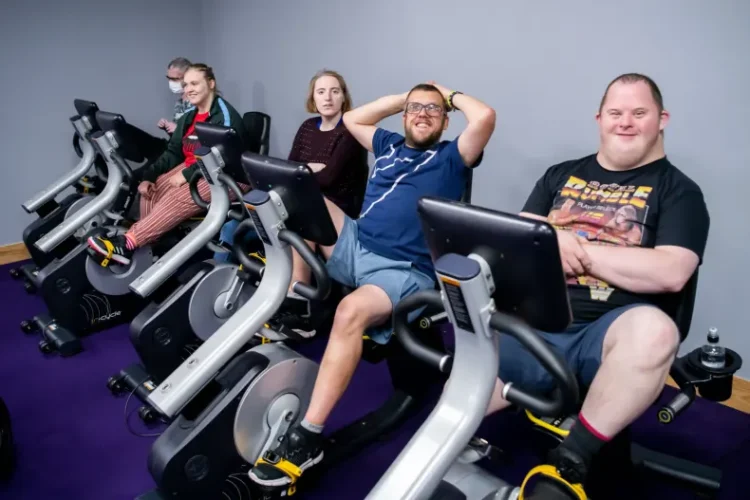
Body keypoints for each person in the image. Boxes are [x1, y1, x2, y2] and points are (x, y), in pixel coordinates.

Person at [247, 82, 496, 488]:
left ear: (447, 120)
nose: (423, 114)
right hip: (357, 243)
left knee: (350, 313)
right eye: (416, 109)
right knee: (296, 194)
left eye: (434, 111)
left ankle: (308, 437)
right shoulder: (389, 143)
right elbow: (351, 118)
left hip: (402, 268)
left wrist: (441, 93)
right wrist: (410, 98)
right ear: (403, 115)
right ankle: (297, 305)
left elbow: (484, 116)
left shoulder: (453, 156)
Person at [494, 73, 710, 498]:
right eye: (615, 112)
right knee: (448, 418)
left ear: (661, 119)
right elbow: (520, 242)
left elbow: (671, 271)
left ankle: (571, 460)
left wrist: (575, 247)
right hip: (532, 325)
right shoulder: (560, 175)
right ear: (599, 119)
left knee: (656, 331)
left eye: (639, 113)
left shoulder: (678, 191)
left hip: (606, 333)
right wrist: (548, 240)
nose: (625, 122)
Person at [87, 64, 250, 267]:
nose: (188, 89)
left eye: (194, 83)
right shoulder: (189, 116)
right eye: (185, 84)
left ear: (211, 83)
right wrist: (149, 176)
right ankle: (150, 249)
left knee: (175, 197)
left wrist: (187, 175)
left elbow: (222, 155)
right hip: (200, 170)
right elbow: (173, 151)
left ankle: (128, 243)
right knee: (153, 191)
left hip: (229, 176)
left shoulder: (224, 116)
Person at [214, 69, 368, 266]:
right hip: (297, 202)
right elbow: (288, 169)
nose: (327, 98)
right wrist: (307, 168)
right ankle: (219, 277)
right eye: (321, 92)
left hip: (331, 211)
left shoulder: (349, 132)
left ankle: (290, 289)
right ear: (313, 97)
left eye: (334, 91)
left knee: (272, 227)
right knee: (232, 226)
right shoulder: (308, 127)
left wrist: (300, 171)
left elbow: (327, 178)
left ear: (343, 97)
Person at [158, 57, 192, 135]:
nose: (170, 82)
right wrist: (167, 127)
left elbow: (199, 137)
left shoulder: (196, 103)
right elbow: (176, 136)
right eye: (169, 78)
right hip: (174, 145)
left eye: (175, 79)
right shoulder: (179, 103)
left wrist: (179, 129)